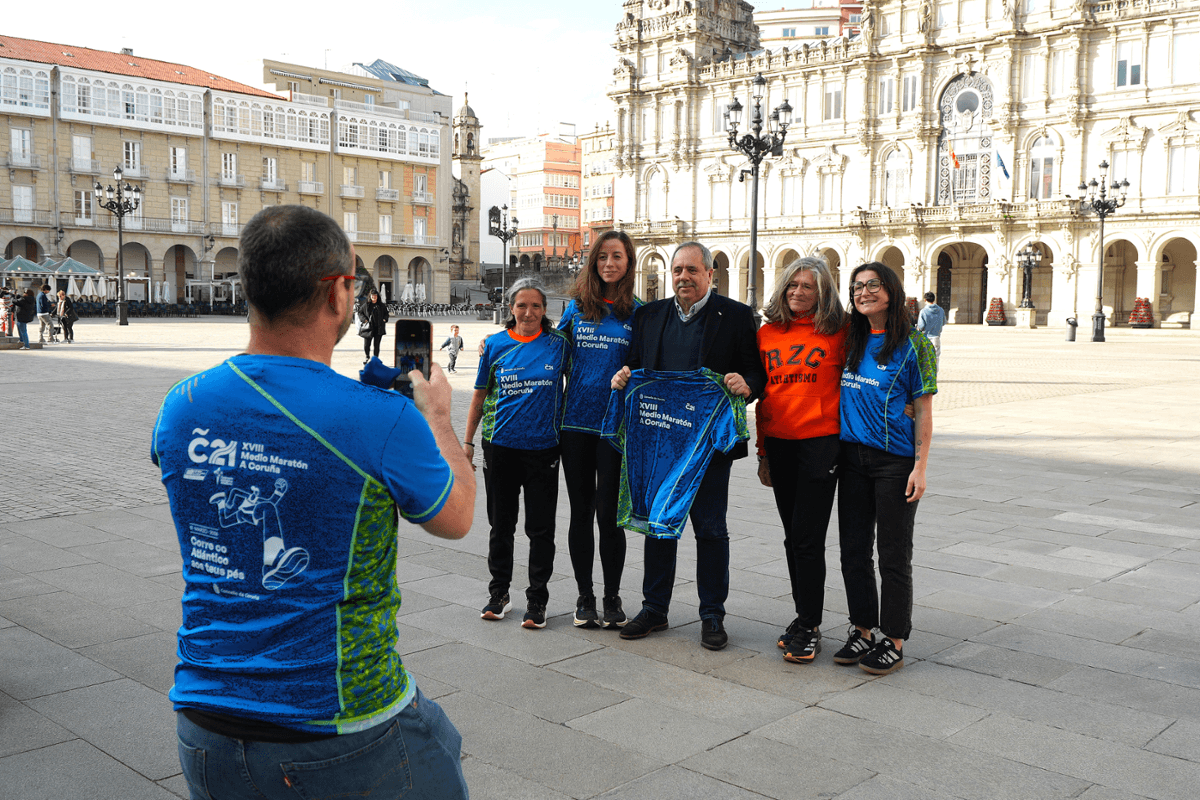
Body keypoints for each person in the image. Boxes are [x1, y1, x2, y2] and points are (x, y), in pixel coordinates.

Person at [151, 205, 475, 800]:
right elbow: (456, 517)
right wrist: (438, 420)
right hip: (342, 723)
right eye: (353, 282)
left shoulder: (182, 405)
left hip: (204, 721)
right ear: (336, 293)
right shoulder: (380, 418)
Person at [611, 241, 766, 651]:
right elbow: (633, 365)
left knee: (711, 529)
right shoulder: (649, 315)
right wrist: (625, 376)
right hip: (658, 441)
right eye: (677, 270)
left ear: (709, 275)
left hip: (708, 446)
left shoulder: (734, 316)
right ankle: (654, 609)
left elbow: (755, 369)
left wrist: (745, 383)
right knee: (658, 523)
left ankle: (712, 615)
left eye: (692, 271)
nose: (683, 277)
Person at [836, 262, 936, 676]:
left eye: (873, 285)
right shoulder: (850, 339)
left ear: (892, 291)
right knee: (853, 551)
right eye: (857, 287)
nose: (864, 293)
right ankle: (863, 628)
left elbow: (925, 410)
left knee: (894, 553)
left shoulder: (916, 346)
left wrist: (921, 466)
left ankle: (893, 638)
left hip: (894, 462)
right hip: (851, 460)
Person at [755, 256, 847, 664]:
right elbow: (762, 398)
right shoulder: (767, 334)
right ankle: (802, 615)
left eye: (807, 286)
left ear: (823, 291)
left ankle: (810, 625)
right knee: (793, 537)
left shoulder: (840, 331)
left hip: (820, 444)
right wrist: (762, 454)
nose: (797, 292)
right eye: (792, 285)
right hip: (779, 442)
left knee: (808, 539)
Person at [465, 277, 570, 629]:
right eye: (521, 305)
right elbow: (479, 397)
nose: (528, 312)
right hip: (499, 447)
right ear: (510, 308)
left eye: (536, 306)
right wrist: (467, 442)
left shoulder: (560, 345)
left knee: (541, 529)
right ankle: (499, 594)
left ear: (545, 310)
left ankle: (537, 600)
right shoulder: (494, 345)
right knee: (501, 525)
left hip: (543, 449)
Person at [557, 231, 642, 630]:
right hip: (574, 424)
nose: (610, 263)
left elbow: (645, 371)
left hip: (614, 429)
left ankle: (612, 596)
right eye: (603, 257)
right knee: (580, 513)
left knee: (610, 516)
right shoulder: (575, 309)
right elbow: (553, 356)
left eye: (618, 257)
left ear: (629, 263)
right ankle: (584, 596)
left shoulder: (638, 313)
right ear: (594, 263)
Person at [359, 289, 389, 363]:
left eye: (375, 296)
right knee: (367, 345)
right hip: (369, 328)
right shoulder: (366, 305)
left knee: (377, 345)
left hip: (378, 328)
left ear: (377, 296)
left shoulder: (381, 305)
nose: (374, 297)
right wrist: (364, 320)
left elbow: (386, 314)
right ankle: (367, 356)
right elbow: (360, 312)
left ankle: (375, 359)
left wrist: (384, 319)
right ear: (370, 296)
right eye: (372, 295)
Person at [917, 291, 946, 360]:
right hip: (936, 337)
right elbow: (944, 322)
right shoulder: (941, 310)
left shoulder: (923, 311)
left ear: (925, 300)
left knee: (926, 358)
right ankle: (935, 370)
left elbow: (921, 326)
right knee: (936, 357)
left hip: (926, 337)